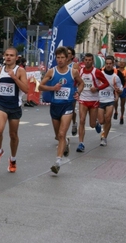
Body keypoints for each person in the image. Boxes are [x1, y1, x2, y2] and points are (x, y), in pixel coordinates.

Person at [38, 46, 84, 174]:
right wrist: (53, 88)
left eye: (62, 57)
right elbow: (41, 86)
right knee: (58, 136)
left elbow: (81, 83)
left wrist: (78, 93)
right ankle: (66, 143)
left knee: (62, 133)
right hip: (55, 106)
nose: (60, 60)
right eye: (58, 57)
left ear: (67, 58)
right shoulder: (51, 72)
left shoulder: (72, 72)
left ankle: (58, 162)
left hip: (67, 105)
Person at [0, 47, 29, 172]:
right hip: (1, 104)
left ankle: (13, 159)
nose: (8, 57)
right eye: (6, 55)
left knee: (13, 135)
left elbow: (26, 89)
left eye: (11, 55)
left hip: (14, 106)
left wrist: (15, 78)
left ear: (16, 58)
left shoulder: (20, 71)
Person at [76, 53, 109, 152]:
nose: (87, 61)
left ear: (92, 61)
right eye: (86, 60)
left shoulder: (97, 72)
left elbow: (106, 83)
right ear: (84, 61)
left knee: (92, 124)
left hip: (94, 100)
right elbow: (74, 82)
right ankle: (81, 143)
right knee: (82, 120)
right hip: (83, 99)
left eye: (89, 60)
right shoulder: (80, 71)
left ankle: (97, 123)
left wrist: (97, 88)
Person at [98, 56, 123, 146]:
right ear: (105, 64)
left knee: (108, 119)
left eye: (110, 64)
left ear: (113, 64)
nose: (108, 65)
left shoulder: (115, 77)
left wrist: (119, 91)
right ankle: (99, 124)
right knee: (101, 121)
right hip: (100, 99)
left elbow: (120, 88)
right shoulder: (99, 74)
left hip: (110, 100)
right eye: (107, 64)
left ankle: (104, 138)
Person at [66, 46, 80, 136]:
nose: (67, 55)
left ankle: (74, 123)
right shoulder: (60, 64)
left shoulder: (74, 65)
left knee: (71, 110)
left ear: (72, 56)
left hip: (71, 90)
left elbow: (76, 78)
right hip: (61, 90)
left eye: (69, 53)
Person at [113, 59, 126, 124]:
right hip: (116, 88)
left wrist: (124, 77)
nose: (121, 64)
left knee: (122, 104)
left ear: (125, 64)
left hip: (123, 88)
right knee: (115, 101)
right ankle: (116, 111)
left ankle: (122, 116)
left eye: (123, 63)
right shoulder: (115, 71)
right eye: (120, 63)